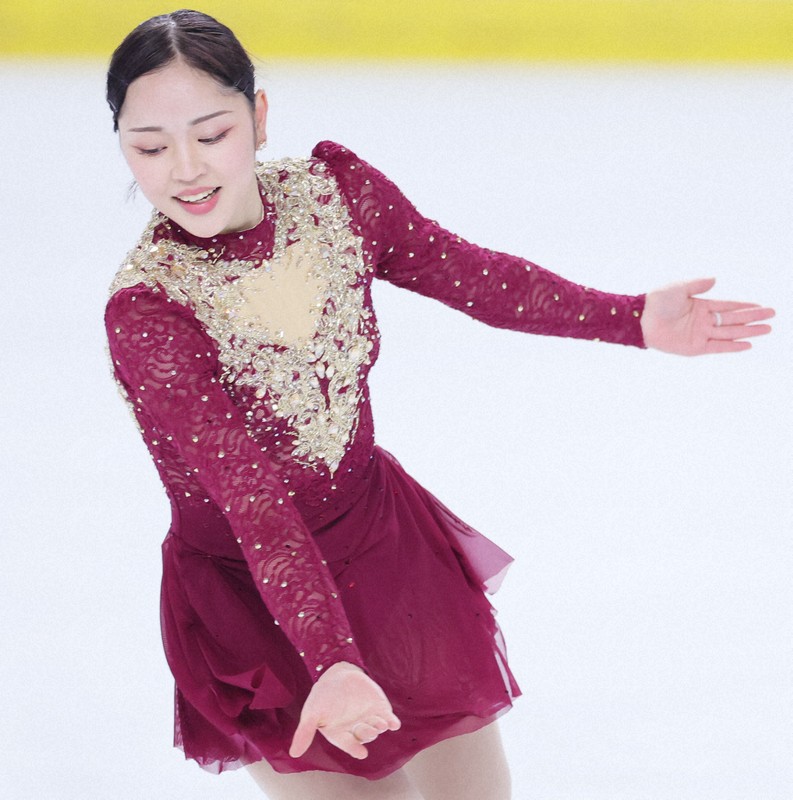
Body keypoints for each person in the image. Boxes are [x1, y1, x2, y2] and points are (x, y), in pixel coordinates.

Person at [103, 10, 774, 800]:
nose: (184, 169)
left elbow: (472, 277)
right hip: (259, 597)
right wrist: (332, 659)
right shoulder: (151, 315)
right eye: (149, 147)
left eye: (211, 134)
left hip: (385, 555)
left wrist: (627, 317)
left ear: (258, 115)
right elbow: (254, 502)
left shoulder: (337, 200)